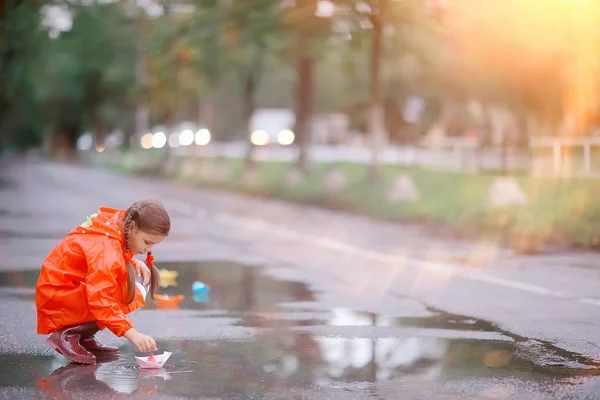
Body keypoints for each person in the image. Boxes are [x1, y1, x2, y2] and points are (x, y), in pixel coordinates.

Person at [36, 199, 170, 364]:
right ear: (133, 227)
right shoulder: (105, 247)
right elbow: (100, 298)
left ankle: (84, 337)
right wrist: (131, 333)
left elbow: (109, 256)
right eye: (147, 242)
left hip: (65, 290)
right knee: (124, 292)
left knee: (130, 284)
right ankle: (68, 335)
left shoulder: (116, 226)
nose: (148, 250)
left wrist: (134, 262)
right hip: (59, 297)